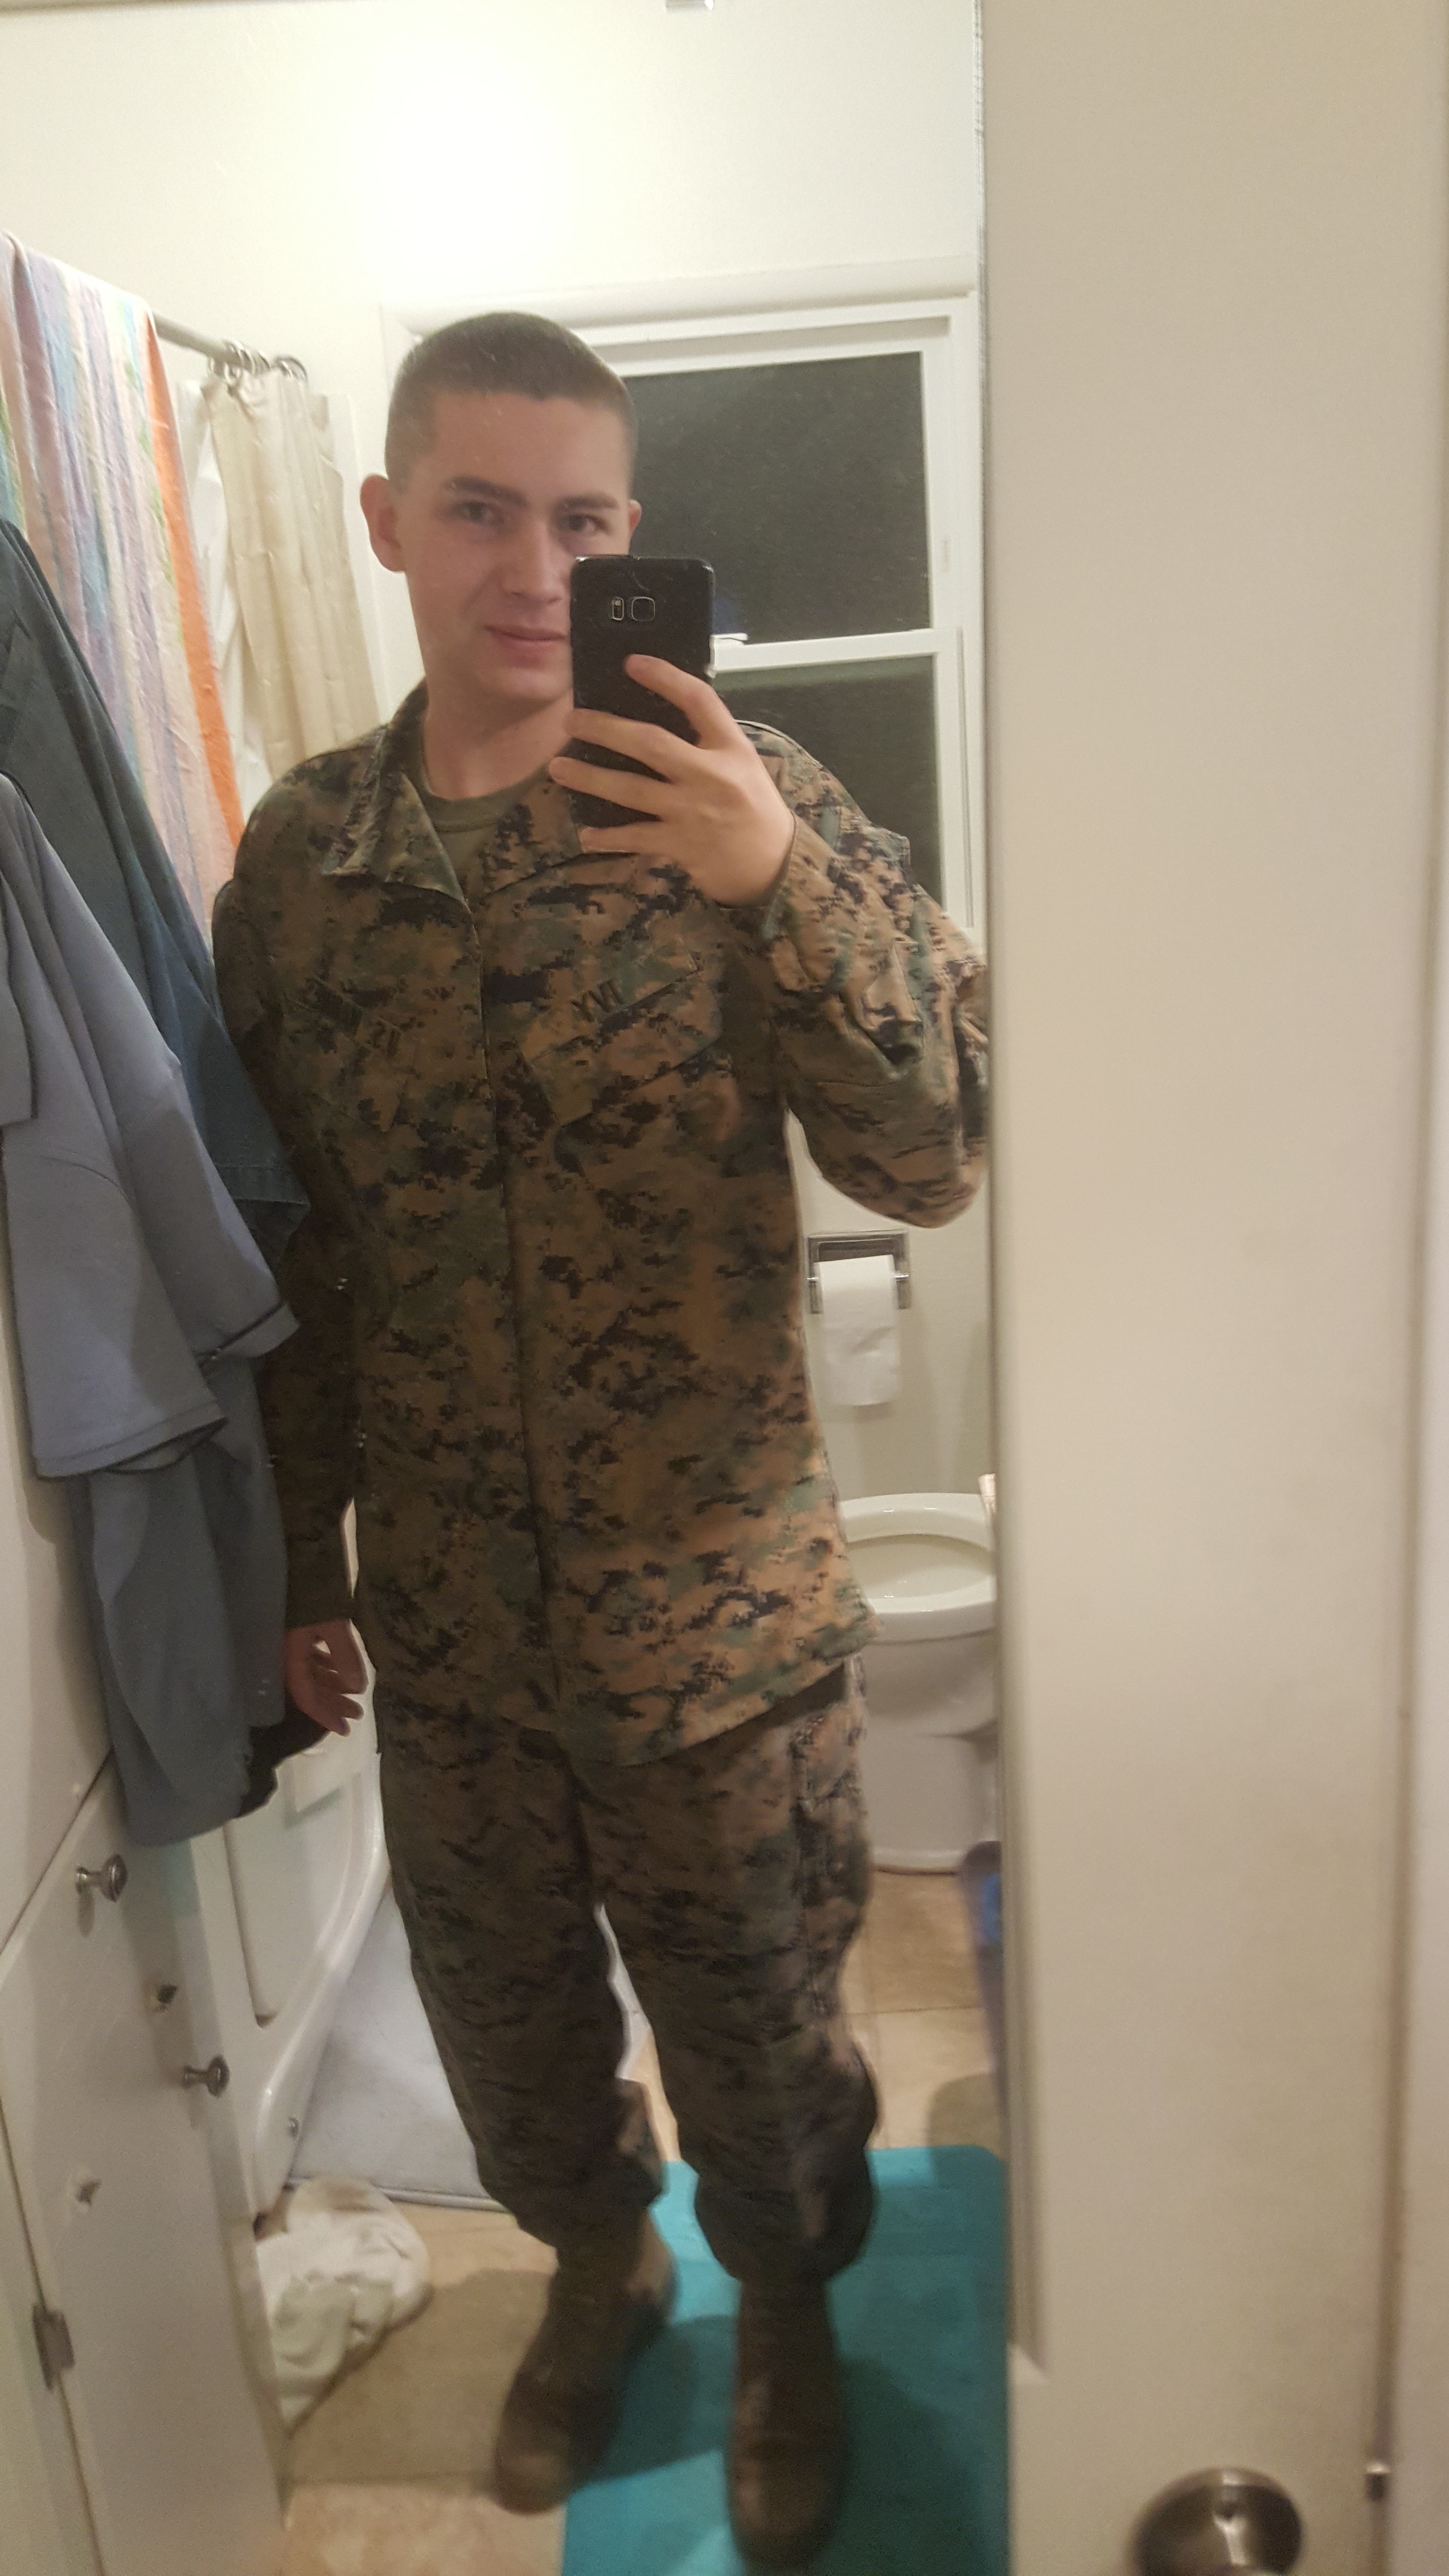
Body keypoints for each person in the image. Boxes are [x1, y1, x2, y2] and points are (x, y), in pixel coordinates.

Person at [213, 313, 986, 2567]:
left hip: (719, 1622)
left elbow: (937, 1152)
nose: (536, 569)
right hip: (456, 1626)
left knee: (766, 2042)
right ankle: (599, 2266)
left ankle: (791, 2321)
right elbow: (291, 1246)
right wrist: (299, 1561)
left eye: (584, 520)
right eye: (481, 509)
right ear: (388, 522)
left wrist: (777, 883)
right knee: (511, 2034)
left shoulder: (742, 794)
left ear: (634, 533)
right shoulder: (305, 865)